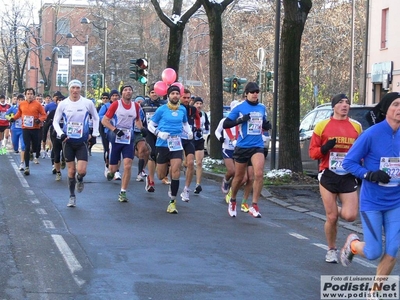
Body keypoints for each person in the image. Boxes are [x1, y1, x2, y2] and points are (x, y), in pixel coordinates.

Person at [340, 92, 400, 278]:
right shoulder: (372, 134)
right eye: (396, 105)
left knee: (392, 250)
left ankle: (374, 293)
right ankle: (353, 244)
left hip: (396, 202)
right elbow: (348, 162)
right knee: (373, 252)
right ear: (386, 109)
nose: (399, 109)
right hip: (373, 202)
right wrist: (369, 174)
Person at [309, 93, 362, 263]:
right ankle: (331, 249)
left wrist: (362, 169)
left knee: (350, 216)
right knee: (331, 217)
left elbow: (362, 151)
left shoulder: (356, 126)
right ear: (334, 106)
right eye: (340, 102)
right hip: (328, 173)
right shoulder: (322, 125)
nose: (345, 105)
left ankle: (332, 208)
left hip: (347, 174)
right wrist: (324, 148)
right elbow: (312, 153)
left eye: (347, 103)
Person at [223, 82, 271, 218]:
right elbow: (227, 123)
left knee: (259, 173)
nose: (255, 94)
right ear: (246, 94)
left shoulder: (262, 107)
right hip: (243, 146)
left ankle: (254, 204)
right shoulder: (240, 108)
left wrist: (267, 125)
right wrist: (241, 119)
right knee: (239, 177)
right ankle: (232, 200)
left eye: (257, 92)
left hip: (257, 145)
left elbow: (265, 123)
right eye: (252, 92)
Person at [52, 79, 100, 207]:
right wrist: (60, 133)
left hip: (82, 141)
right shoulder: (63, 104)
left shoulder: (87, 103)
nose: (75, 90)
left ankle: (80, 179)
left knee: (82, 171)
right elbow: (55, 121)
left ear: (80, 89)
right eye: (73, 88)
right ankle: (72, 196)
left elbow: (96, 118)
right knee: (71, 171)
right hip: (68, 141)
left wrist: (94, 134)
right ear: (69, 89)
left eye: (77, 88)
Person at [147, 85, 192, 213]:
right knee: (161, 175)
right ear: (168, 96)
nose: (175, 96)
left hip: (176, 143)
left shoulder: (182, 109)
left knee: (176, 170)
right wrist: (158, 133)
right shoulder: (162, 109)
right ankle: (159, 176)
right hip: (162, 144)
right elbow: (150, 124)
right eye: (173, 94)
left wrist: (189, 132)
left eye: (177, 93)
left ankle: (172, 201)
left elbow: (185, 123)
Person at [102, 85, 146, 202]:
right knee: (113, 169)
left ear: (132, 93)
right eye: (125, 90)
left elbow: (137, 120)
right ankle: (111, 173)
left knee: (127, 165)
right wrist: (115, 130)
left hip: (128, 138)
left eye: (130, 90)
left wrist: (142, 129)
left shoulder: (136, 106)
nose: (128, 92)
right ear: (122, 93)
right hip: (116, 137)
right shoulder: (116, 104)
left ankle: (123, 192)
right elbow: (104, 120)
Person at [10, 88, 46, 175]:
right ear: (25, 95)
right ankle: (27, 167)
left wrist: (39, 120)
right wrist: (13, 118)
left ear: (33, 95)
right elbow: (19, 113)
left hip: (35, 129)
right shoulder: (22, 104)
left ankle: (31, 152)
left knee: (34, 147)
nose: (30, 95)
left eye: (31, 94)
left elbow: (44, 115)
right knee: (26, 146)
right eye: (28, 94)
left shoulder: (38, 105)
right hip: (25, 128)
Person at [142, 83, 167, 192]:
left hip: (161, 133)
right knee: (152, 154)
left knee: (161, 155)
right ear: (149, 94)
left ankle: (163, 175)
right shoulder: (144, 104)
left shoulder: (164, 104)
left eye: (156, 92)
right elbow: (140, 118)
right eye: (152, 92)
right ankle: (151, 179)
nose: (154, 94)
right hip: (149, 133)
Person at [179, 89, 200, 202]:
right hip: (176, 138)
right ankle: (173, 184)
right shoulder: (175, 108)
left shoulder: (192, 109)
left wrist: (197, 128)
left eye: (188, 98)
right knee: (176, 165)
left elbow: (197, 118)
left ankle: (186, 189)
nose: (186, 100)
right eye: (184, 97)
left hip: (189, 139)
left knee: (191, 163)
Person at [192, 97, 209, 195]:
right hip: (190, 140)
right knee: (188, 163)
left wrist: (202, 129)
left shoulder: (204, 115)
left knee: (199, 162)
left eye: (200, 103)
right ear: (193, 104)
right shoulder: (191, 114)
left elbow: (207, 129)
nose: (199, 105)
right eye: (197, 103)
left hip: (199, 140)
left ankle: (198, 184)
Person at [6, 95, 25, 169]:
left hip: (23, 129)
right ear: (17, 100)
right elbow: (6, 115)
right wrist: (11, 118)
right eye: (19, 100)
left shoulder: (26, 108)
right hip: (14, 129)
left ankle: (22, 163)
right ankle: (16, 149)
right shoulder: (13, 108)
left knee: (23, 146)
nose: (20, 101)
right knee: (15, 147)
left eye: (22, 100)